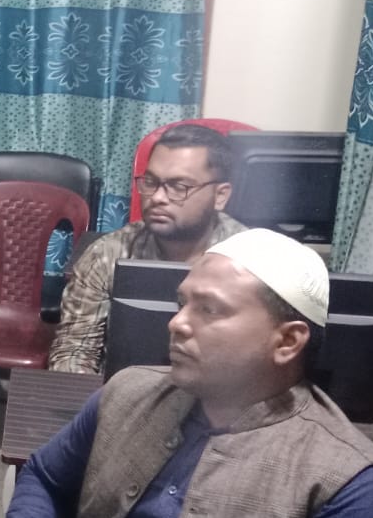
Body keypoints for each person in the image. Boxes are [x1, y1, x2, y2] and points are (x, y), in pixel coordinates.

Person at [2, 227, 373, 518]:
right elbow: (44, 477)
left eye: (210, 310)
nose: (177, 323)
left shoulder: (357, 486)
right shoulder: (127, 391)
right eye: (182, 304)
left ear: (287, 341)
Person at [49, 123, 247, 375]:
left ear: (220, 196)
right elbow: (74, 350)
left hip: (219, 395)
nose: (157, 198)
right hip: (123, 391)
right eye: (151, 182)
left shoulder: (251, 262)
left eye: (179, 186)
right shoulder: (109, 254)